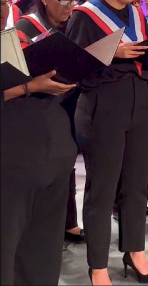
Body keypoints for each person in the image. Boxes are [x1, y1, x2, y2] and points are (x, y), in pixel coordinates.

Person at [65, 0, 148, 285]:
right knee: (102, 190)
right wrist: (113, 51)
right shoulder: (85, 15)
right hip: (102, 105)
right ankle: (97, 266)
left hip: (139, 103)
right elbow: (72, 65)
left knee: (137, 185)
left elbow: (147, 57)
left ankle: (135, 251)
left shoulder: (137, 14)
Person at [1, 18, 77, 285]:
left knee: (43, 246)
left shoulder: (18, 37)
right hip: (13, 157)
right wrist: (28, 87)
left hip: (53, 151)